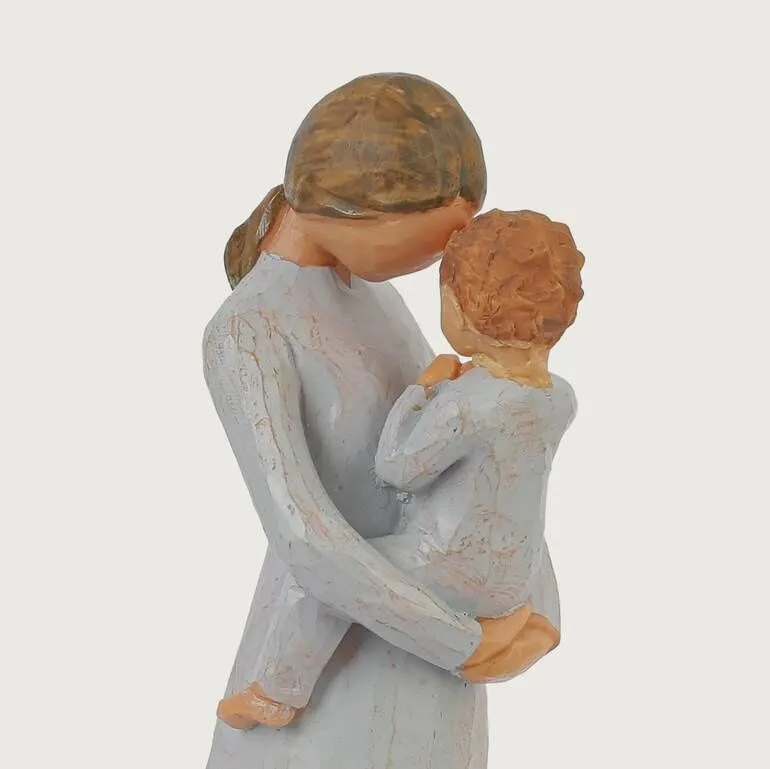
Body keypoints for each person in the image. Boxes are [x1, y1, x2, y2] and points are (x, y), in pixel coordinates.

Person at [203, 73, 538, 769]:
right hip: (333, 682)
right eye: (439, 239)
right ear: (360, 207)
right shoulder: (250, 330)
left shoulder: (378, 299)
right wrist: (460, 640)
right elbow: (305, 537)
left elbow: (477, 451)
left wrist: (529, 601)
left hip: (431, 667)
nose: (451, 260)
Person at [212, 209, 583, 728]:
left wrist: (423, 391)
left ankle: (275, 693)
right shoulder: (559, 399)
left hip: (445, 561)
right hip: (513, 579)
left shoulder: (466, 404)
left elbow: (397, 467)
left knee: (317, 589)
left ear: (465, 314)